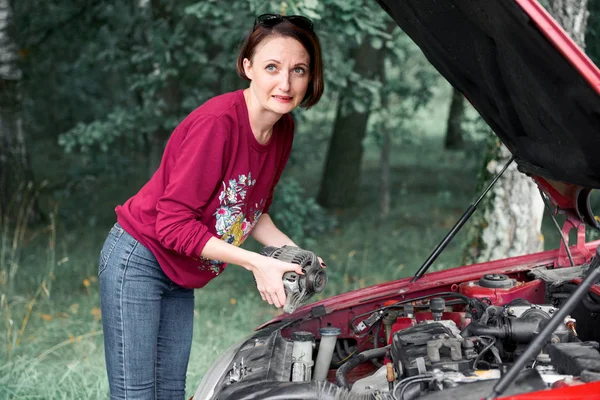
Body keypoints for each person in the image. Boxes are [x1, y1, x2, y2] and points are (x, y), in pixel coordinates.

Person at [98, 13, 325, 399]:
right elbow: (171, 225)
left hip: (179, 271)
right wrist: (257, 262)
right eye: (272, 67)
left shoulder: (281, 128)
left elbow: (250, 213)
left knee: (170, 392)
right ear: (247, 67)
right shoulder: (217, 124)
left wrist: (293, 254)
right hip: (139, 260)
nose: (285, 83)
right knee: (137, 394)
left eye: (298, 70)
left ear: (311, 76)